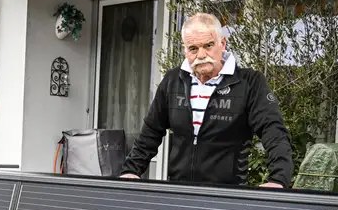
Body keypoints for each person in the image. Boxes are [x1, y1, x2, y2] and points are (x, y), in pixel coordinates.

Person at [119, 12, 294, 188]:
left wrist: (278, 180)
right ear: (185, 50)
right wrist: (131, 170)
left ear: (222, 44)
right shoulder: (173, 81)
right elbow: (151, 131)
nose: (201, 55)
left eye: (208, 45)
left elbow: (273, 131)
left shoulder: (250, 83)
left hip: (228, 194)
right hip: (179, 190)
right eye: (193, 48)